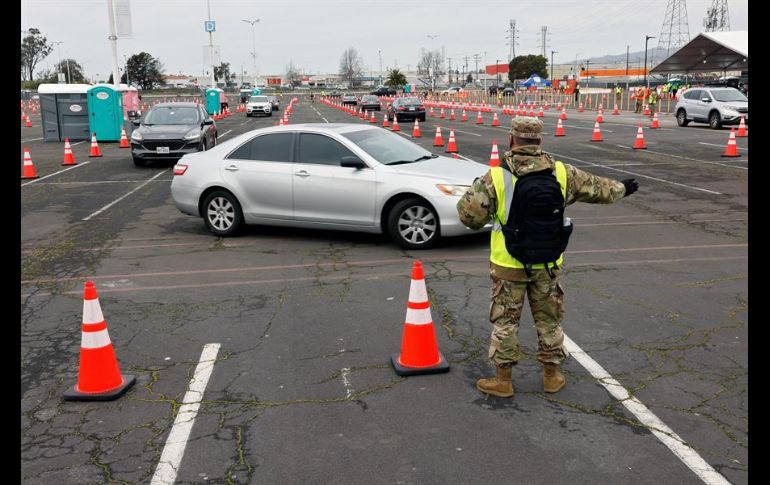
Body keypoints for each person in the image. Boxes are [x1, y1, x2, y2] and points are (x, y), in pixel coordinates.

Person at [456, 117, 638, 398]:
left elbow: (469, 217)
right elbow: (598, 188)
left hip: (508, 264)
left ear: (511, 140)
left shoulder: (497, 176)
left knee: (506, 322)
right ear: (540, 141)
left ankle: (503, 381)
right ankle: (551, 376)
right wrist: (623, 188)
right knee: (549, 320)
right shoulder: (563, 173)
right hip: (548, 262)